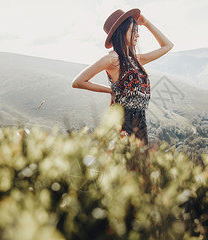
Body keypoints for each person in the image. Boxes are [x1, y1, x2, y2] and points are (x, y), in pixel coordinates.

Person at [72, 8, 173, 146]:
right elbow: (78, 82)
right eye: (133, 31)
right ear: (121, 32)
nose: (137, 35)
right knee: (127, 164)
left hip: (140, 120)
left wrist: (146, 23)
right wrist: (110, 90)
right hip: (123, 121)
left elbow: (167, 45)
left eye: (137, 31)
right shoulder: (112, 58)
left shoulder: (136, 59)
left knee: (139, 165)